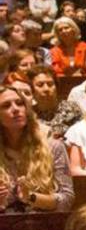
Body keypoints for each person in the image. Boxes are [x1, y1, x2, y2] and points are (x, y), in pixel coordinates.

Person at [0, 83, 73, 212]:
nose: (15, 109)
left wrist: (32, 197)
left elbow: (66, 200)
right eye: (6, 106)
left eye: (19, 103)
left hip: (44, 226)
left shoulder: (53, 147)